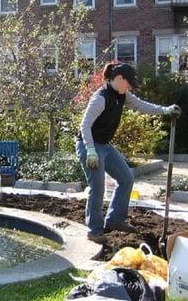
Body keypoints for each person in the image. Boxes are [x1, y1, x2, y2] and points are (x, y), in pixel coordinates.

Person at [77, 62, 181, 244]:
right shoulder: (100, 98)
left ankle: (115, 219)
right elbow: (84, 125)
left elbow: (142, 106)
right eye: (128, 83)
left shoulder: (122, 95)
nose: (129, 86)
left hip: (105, 146)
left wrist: (164, 110)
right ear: (118, 78)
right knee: (98, 188)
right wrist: (91, 149)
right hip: (90, 146)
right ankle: (94, 230)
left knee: (126, 178)